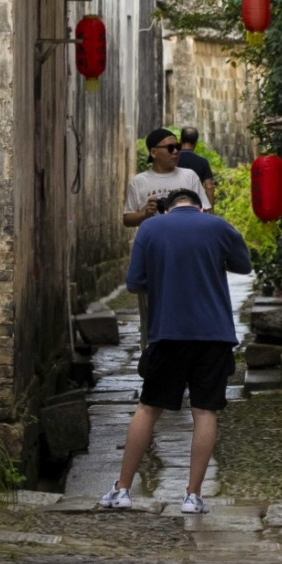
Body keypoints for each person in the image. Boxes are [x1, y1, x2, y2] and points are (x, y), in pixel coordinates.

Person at [99, 188, 251, 514]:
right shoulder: (218, 226)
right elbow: (243, 264)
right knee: (204, 412)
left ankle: (122, 489)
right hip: (214, 335)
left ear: (168, 209)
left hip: (168, 333)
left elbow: (135, 282)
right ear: (199, 207)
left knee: (148, 408)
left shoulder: (151, 228)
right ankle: (193, 497)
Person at [123, 127, 209, 226]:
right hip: (154, 240)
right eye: (170, 148)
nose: (176, 151)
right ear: (154, 153)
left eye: (178, 147)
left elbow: (205, 211)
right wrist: (145, 213)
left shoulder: (190, 176)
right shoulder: (138, 181)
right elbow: (127, 220)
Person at [177, 124, 216, 208]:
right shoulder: (203, 162)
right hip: (195, 206)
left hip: (174, 203)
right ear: (195, 143)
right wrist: (211, 211)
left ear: (180, 140)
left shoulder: (172, 159)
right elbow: (209, 187)